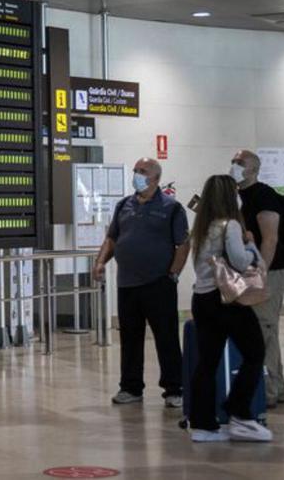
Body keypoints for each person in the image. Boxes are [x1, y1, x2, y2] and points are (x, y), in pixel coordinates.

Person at [92, 157, 188, 408]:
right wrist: (100, 261)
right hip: (128, 284)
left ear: (155, 178)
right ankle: (131, 387)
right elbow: (112, 239)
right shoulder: (124, 205)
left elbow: (183, 244)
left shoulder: (171, 208)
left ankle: (174, 388)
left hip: (159, 283)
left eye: (142, 171)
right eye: (135, 170)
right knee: (131, 338)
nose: (137, 174)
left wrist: (173, 275)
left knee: (166, 337)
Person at [186, 174, 273, 443]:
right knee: (255, 352)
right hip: (226, 301)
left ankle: (202, 424)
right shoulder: (230, 225)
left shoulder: (202, 226)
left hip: (202, 299)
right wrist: (250, 247)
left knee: (207, 362)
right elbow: (239, 261)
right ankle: (240, 412)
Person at [231, 150, 284, 408]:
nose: (234, 166)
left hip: (269, 272)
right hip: (246, 272)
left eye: (240, 163)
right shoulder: (236, 196)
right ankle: (277, 387)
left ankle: (269, 391)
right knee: (264, 330)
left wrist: (260, 273)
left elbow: (271, 238)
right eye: (233, 161)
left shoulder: (264, 195)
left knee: (264, 328)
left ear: (253, 169)